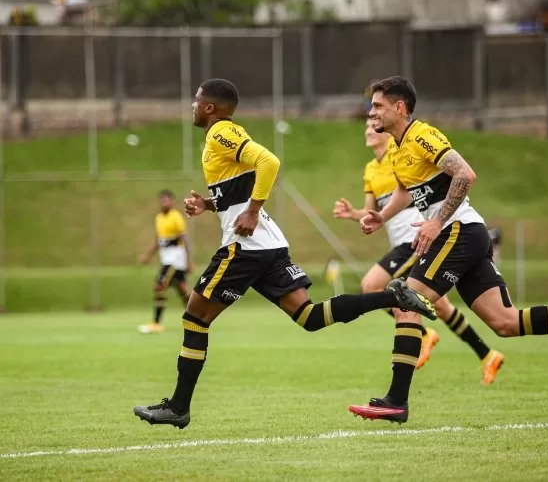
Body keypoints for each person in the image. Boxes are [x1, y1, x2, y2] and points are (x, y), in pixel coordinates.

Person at [133, 78, 436, 429]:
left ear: (210, 107)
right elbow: (238, 189)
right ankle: (392, 297)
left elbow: (269, 162)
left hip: (245, 246)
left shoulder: (220, 133)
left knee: (195, 317)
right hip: (268, 244)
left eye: (197, 101)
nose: (193, 106)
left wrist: (252, 212)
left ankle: (178, 407)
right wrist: (208, 204)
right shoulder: (223, 137)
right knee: (309, 316)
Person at [349, 75, 548, 424]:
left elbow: (465, 174)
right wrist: (381, 217)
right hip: (465, 235)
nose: (371, 112)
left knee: (405, 301)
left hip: (458, 232)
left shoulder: (422, 135)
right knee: (505, 322)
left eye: (378, 106)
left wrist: (436, 222)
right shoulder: (396, 149)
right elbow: (406, 191)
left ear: (399, 108)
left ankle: (396, 401)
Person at [334, 119, 504, 384]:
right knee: (441, 306)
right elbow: (373, 211)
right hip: (401, 244)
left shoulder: (403, 154)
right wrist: (353, 214)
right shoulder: (370, 170)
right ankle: (487, 354)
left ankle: (423, 336)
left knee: (371, 286)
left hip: (416, 240)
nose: (369, 129)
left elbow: (417, 191)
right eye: (366, 126)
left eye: (374, 124)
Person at [137, 189, 192, 334]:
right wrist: (147, 256)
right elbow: (159, 241)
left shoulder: (176, 217)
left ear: (172, 201)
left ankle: (156, 323)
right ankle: (197, 318)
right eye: (162, 200)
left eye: (167, 200)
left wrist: (188, 261)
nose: (164, 203)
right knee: (182, 289)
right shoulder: (159, 218)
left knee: (159, 286)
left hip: (175, 260)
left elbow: (185, 240)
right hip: (166, 259)